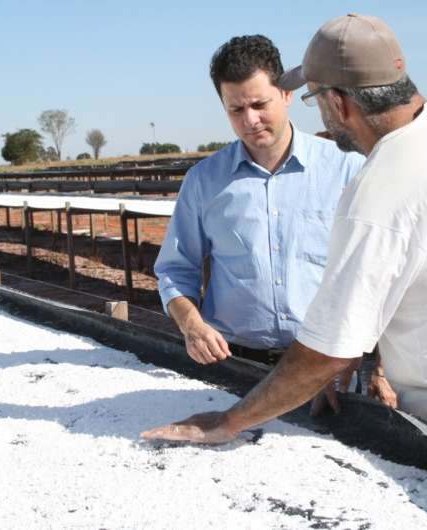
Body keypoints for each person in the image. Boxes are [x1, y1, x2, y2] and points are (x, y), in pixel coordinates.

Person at [143, 14, 427, 488]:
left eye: (311, 99)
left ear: (338, 103)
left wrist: (229, 422)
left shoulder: (383, 182)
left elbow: (330, 348)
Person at [154, 35, 365, 366]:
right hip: (236, 363)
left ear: (286, 93)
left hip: (324, 365)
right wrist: (191, 325)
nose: (249, 120)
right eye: (236, 109)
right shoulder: (203, 181)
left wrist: (374, 364)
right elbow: (175, 270)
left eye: (259, 105)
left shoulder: (346, 168)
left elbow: (377, 269)